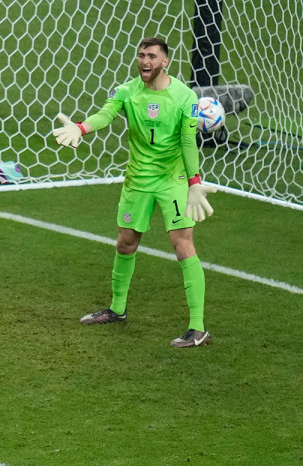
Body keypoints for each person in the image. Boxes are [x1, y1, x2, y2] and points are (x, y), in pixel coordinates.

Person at [52, 36, 218, 348]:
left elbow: (187, 141)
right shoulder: (127, 91)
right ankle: (116, 310)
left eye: (152, 56)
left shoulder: (185, 97)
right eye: (141, 55)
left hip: (172, 180)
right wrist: (82, 127)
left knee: (182, 244)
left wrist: (194, 183)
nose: (145, 61)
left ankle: (198, 328)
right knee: (126, 243)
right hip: (137, 180)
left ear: (165, 61)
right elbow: (106, 113)